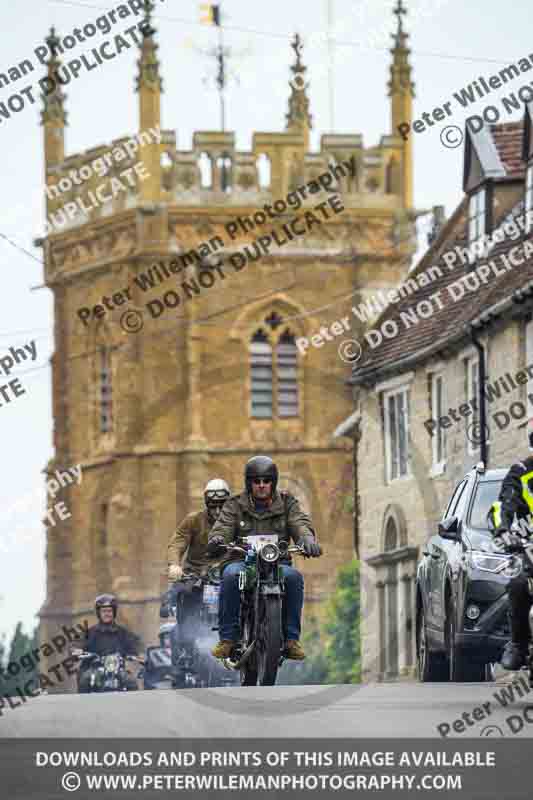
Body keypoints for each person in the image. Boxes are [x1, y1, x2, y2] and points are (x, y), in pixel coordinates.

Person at [208, 456, 322, 661]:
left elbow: (299, 523)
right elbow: (223, 526)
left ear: (273, 482)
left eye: (266, 481)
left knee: (294, 577)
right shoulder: (234, 504)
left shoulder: (287, 502)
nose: (261, 485)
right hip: (242, 561)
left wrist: (307, 539)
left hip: (277, 563)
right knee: (231, 576)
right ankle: (228, 639)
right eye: (256, 481)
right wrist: (218, 538)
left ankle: (291, 640)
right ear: (249, 483)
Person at [163, 479, 231, 679]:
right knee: (182, 598)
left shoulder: (237, 522)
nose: (218, 510)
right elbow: (177, 542)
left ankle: (249, 642)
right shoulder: (194, 520)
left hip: (227, 576)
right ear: (207, 504)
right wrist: (175, 565)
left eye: (222, 505)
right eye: (213, 505)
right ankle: (184, 648)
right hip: (196, 577)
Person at [488, 419, 533, 670]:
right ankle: (519, 644)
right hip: (529, 546)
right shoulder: (521, 472)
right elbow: (502, 506)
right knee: (517, 585)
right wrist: (504, 531)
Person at [77, 594, 140, 692]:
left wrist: (138, 655)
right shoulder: (90, 632)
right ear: (99, 613)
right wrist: (76, 650)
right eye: (104, 611)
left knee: (131, 682)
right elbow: (77, 643)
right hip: (95, 669)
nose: (107, 614)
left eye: (110, 611)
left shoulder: (122, 632)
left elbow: (134, 645)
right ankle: (83, 705)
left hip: (117, 669)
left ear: (114, 612)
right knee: (85, 679)